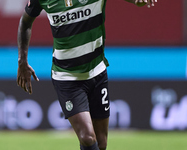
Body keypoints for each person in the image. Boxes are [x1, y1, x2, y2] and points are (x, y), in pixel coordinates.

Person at [17, 0, 157, 150]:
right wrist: (22, 61)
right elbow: (25, 23)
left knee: (101, 143)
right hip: (67, 78)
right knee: (87, 137)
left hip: (97, 72)